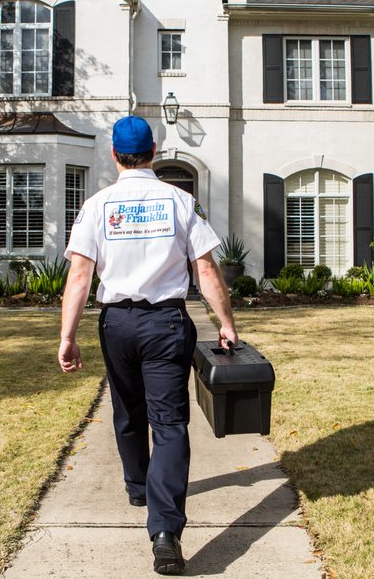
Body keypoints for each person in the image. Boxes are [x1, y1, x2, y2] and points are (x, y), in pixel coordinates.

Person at [58, 115, 238, 576]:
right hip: (166, 323)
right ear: (153, 152)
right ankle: (165, 532)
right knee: (171, 423)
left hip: (117, 323)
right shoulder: (181, 200)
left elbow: (79, 275)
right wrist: (226, 324)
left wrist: (67, 337)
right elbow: (207, 270)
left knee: (128, 411)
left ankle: (139, 486)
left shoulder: (97, 205)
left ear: (114, 154)